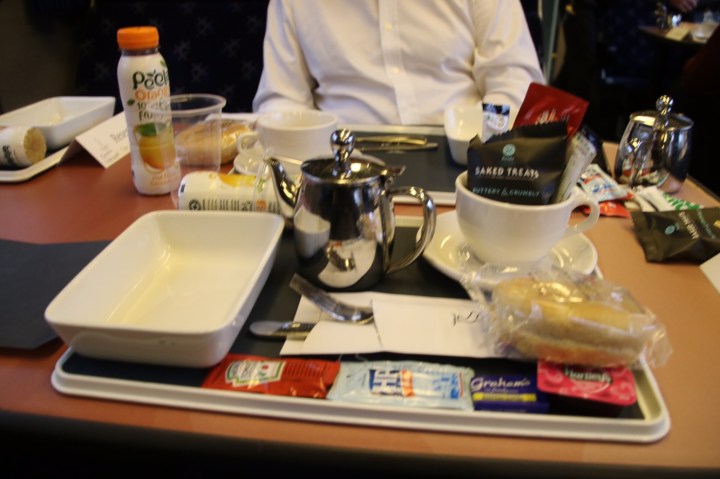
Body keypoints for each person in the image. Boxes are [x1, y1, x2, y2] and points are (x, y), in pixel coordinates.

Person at [252, 0, 544, 126]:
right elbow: (282, 101)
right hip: (342, 164)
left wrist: (484, 152)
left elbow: (515, 85)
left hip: (465, 159)